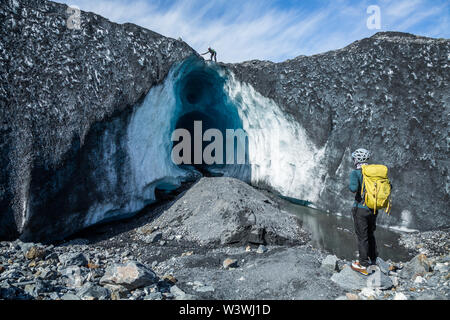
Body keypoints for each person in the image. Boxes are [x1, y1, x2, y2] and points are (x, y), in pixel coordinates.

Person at [349, 148, 378, 276]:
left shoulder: (356, 173)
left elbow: (353, 188)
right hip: (374, 208)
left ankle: (363, 264)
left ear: (357, 160)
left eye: (354, 158)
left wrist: (351, 184)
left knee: (362, 237)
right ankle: (373, 260)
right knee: (370, 234)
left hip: (360, 208)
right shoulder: (375, 172)